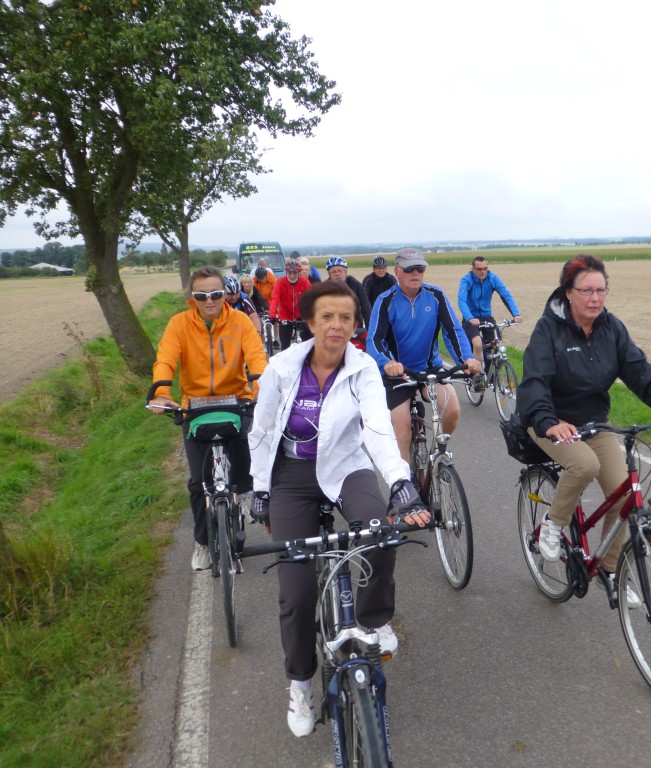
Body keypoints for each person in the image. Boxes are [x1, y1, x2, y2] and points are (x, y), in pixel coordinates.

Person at [248, 280, 430, 738]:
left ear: (355, 325)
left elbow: (378, 429)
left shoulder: (364, 367)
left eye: (345, 317)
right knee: (296, 590)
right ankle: (301, 683)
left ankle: (373, 620)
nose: (336, 324)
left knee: (380, 531)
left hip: (348, 467)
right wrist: (260, 487)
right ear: (310, 323)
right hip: (292, 477)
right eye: (327, 316)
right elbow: (264, 429)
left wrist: (401, 481)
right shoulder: (282, 367)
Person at [516, 254, 651, 600]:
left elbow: (639, 370)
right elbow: (535, 383)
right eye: (586, 290)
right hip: (548, 420)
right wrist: (549, 421)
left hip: (593, 423)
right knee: (584, 464)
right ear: (568, 292)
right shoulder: (548, 330)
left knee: (626, 495)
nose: (595, 298)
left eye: (601, 290)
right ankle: (552, 526)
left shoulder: (611, 329)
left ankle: (609, 569)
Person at [147, 266, 267, 571]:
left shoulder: (239, 321)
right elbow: (165, 358)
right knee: (197, 482)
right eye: (202, 295)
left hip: (235, 400)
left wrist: (260, 388)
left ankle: (237, 500)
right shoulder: (179, 325)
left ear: (224, 294)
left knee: (244, 472)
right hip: (195, 406)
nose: (210, 300)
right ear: (193, 298)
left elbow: (256, 357)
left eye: (216, 294)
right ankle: (202, 542)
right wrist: (161, 390)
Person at [366, 247, 481, 465]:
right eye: (410, 269)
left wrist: (466, 359)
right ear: (397, 271)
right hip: (398, 373)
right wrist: (388, 363)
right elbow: (374, 340)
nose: (416, 273)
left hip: (429, 368)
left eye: (420, 268)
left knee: (452, 408)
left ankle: (437, 455)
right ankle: (406, 484)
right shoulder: (386, 300)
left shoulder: (435, 295)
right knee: (402, 429)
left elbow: (453, 331)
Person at [457, 256, 523, 368]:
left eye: (485, 268)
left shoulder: (493, 278)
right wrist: (470, 318)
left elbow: (506, 296)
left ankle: (491, 377)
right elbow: (461, 300)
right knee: (477, 344)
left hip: (486, 317)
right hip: (471, 318)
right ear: (473, 269)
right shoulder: (467, 280)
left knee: (497, 344)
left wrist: (516, 314)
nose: (483, 271)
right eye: (479, 269)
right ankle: (477, 377)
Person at [270, 258, 311, 351]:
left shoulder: (304, 282)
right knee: (285, 347)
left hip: (301, 315)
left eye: (295, 273)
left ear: (299, 273)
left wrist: (311, 314)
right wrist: (272, 315)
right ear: (286, 273)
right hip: (285, 316)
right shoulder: (280, 282)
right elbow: (274, 298)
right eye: (289, 273)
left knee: (307, 344)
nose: (292, 276)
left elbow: (311, 298)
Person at [325, 257, 372, 330]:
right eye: (333, 272)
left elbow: (366, 308)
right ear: (329, 274)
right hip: (333, 326)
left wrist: (370, 331)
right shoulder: (324, 288)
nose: (337, 274)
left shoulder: (356, 285)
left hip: (353, 325)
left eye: (339, 271)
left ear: (345, 271)